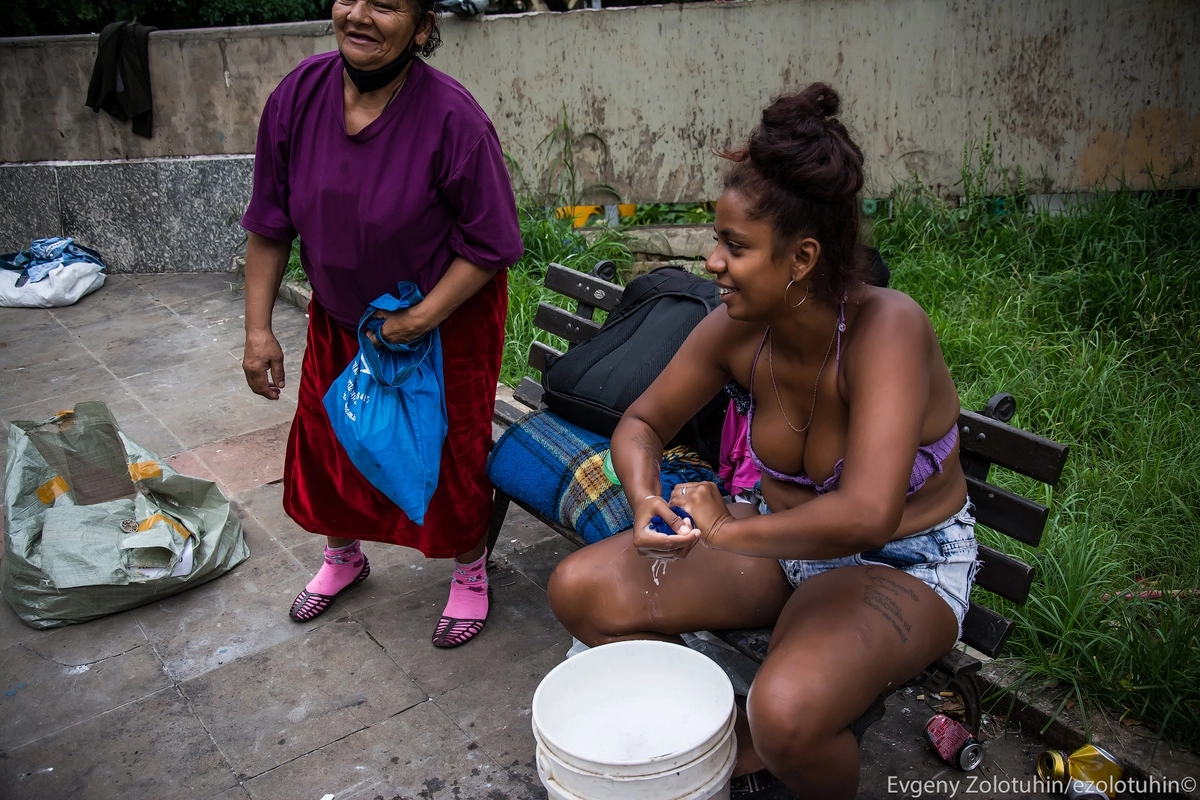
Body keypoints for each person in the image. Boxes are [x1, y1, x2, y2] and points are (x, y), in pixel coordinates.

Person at [546, 83, 977, 798]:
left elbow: (868, 515)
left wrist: (724, 529)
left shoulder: (888, 331)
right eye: (718, 239)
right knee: (581, 591)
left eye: (735, 246)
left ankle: (765, 743)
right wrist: (646, 499)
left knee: (786, 713)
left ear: (801, 258)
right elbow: (642, 425)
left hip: (903, 566)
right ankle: (726, 742)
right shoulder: (738, 330)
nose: (712, 261)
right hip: (780, 545)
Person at [240, 0, 523, 648]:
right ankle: (343, 557)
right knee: (330, 441)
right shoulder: (297, 98)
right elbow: (270, 223)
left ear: (422, 28)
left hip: (444, 326)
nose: (360, 15)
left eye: (387, 4)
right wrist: (258, 331)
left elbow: (492, 244)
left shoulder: (453, 119)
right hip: (341, 319)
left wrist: (419, 319)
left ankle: (470, 571)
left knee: (446, 454)